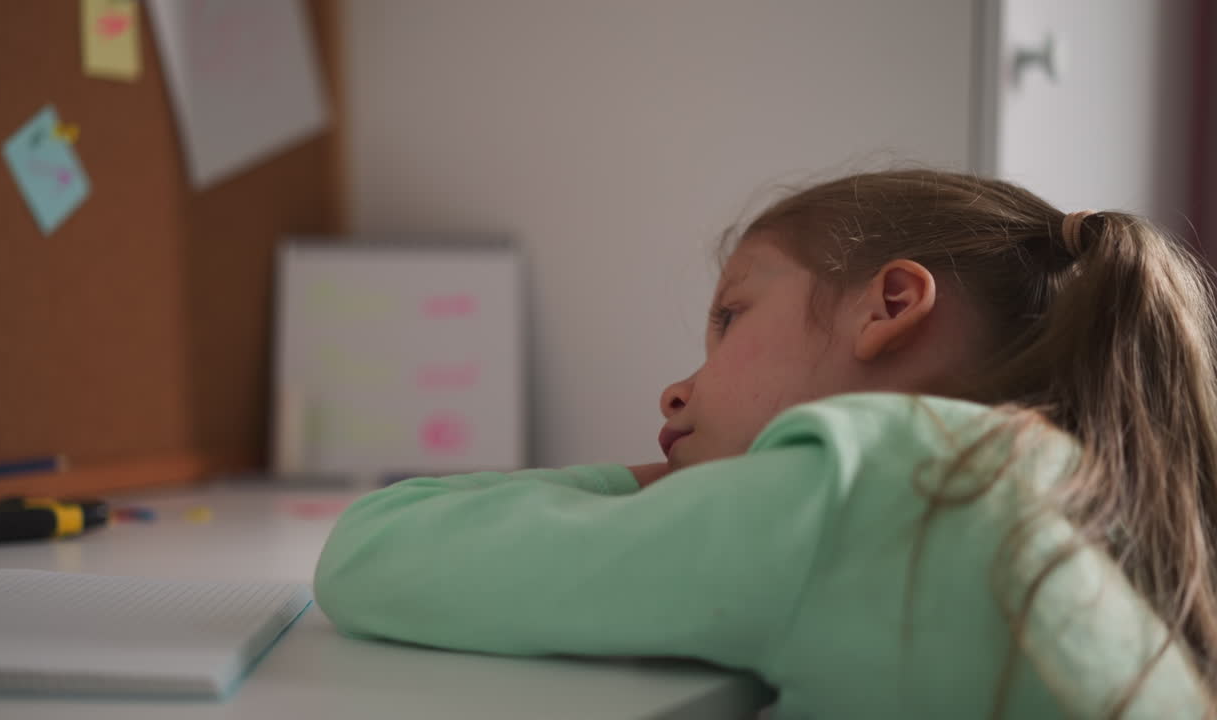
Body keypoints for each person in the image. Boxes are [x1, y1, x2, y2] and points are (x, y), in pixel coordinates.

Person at [314, 169, 1217, 718]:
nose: (677, 388)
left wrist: (649, 485)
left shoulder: (864, 489)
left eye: (731, 317)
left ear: (890, 306)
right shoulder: (1045, 482)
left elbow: (373, 553)